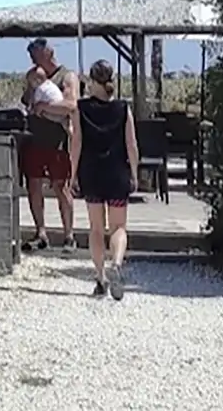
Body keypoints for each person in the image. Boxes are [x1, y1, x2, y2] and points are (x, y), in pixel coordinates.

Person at [70, 59, 139, 299]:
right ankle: (116, 263)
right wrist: (134, 172)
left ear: (92, 81)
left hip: (91, 173)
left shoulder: (80, 108)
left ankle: (100, 277)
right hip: (117, 172)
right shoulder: (123, 108)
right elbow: (131, 144)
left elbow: (76, 143)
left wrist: (72, 174)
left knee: (96, 228)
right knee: (118, 227)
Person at [19, 39, 78, 251]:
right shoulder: (34, 76)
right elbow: (27, 101)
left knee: (61, 187)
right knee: (33, 184)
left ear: (47, 53)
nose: (32, 58)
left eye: (35, 53)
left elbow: (70, 105)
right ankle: (40, 232)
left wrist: (45, 106)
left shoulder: (67, 76)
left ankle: (69, 235)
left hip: (57, 140)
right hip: (35, 138)